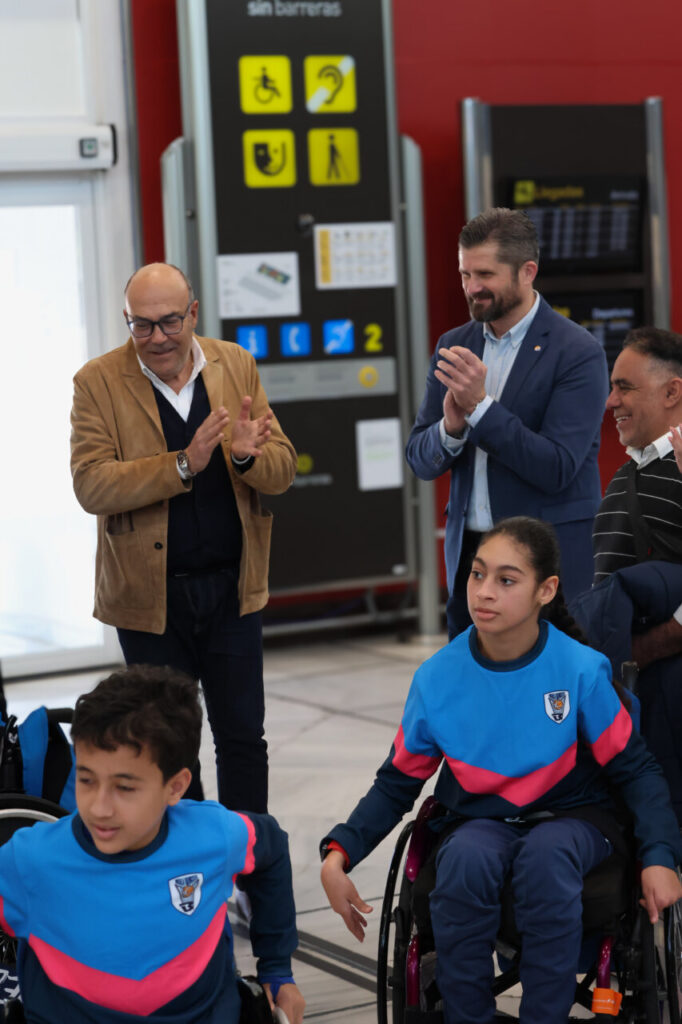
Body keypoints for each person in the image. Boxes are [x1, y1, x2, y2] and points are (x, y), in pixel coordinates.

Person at [320, 516, 682, 1024]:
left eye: (506, 580)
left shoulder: (578, 668)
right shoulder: (438, 677)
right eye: (477, 574)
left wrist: (661, 856)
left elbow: (637, 770)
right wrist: (339, 852)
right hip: (478, 818)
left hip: (575, 818)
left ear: (545, 590)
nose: (484, 592)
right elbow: (397, 781)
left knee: (547, 855)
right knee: (464, 856)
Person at [70, 263, 297, 813]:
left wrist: (244, 456)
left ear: (193, 313)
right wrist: (183, 464)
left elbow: (283, 469)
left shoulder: (235, 364)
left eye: (170, 322)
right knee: (169, 750)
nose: (157, 339)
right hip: (149, 602)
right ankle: (186, 874)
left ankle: (248, 865)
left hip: (232, 589)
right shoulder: (97, 381)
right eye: (141, 326)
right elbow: (92, 484)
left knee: (243, 737)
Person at [0, 665, 305, 1024]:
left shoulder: (214, 835)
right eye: (86, 779)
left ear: (176, 786)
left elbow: (272, 850)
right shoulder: (30, 860)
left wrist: (277, 969)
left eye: (125, 787)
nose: (99, 807)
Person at [406, 208, 608, 638]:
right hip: (470, 564)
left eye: (485, 274)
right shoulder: (454, 344)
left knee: (553, 698)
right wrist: (452, 429)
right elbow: (420, 460)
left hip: (545, 567)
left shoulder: (579, 352)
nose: (472, 287)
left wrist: (481, 408)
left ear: (527, 271)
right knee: (475, 696)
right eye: (464, 274)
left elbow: (555, 467)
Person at [577, 326, 682, 820]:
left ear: (672, 391)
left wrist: (658, 641)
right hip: (630, 701)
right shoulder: (623, 477)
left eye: (625, 387)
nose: (611, 401)